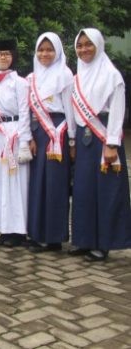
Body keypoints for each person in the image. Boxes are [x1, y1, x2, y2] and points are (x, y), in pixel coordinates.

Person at [69, 28, 131, 261]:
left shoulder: (111, 75)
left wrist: (112, 143)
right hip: (85, 140)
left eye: (88, 44)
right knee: (84, 190)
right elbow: (75, 111)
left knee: (106, 191)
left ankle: (103, 243)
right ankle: (84, 239)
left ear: (98, 45)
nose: (84, 49)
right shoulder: (77, 76)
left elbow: (117, 110)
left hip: (104, 137)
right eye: (80, 45)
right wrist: (73, 140)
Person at [26, 32, 74, 253]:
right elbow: (27, 112)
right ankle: (37, 233)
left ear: (58, 51)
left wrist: (71, 138)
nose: (45, 54)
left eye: (49, 49)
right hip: (38, 132)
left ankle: (54, 237)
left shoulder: (65, 75)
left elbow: (70, 109)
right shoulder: (31, 78)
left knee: (55, 183)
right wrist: (28, 137)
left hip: (58, 131)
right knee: (37, 183)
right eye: (41, 49)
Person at [0, 39, 32, 247]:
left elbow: (25, 112)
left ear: (13, 56)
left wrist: (24, 141)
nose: (2, 57)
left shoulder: (20, 82)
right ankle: (4, 229)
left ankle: (19, 231)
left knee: (17, 182)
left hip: (14, 132)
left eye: (6, 53)